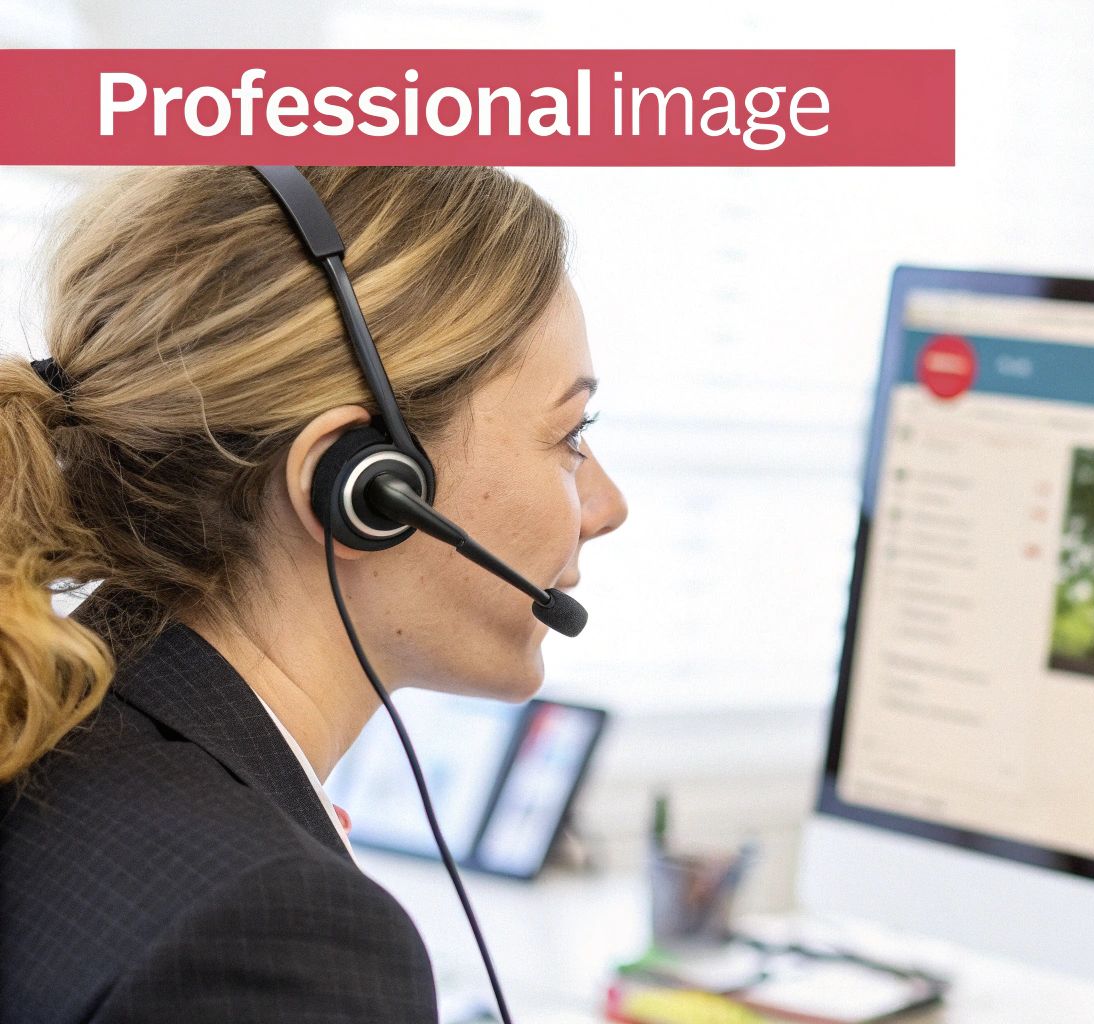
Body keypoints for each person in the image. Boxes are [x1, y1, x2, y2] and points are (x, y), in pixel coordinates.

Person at [0, 166, 628, 1022]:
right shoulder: (275, 927)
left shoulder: (65, 744)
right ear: (365, 487)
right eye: (569, 436)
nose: (607, 506)